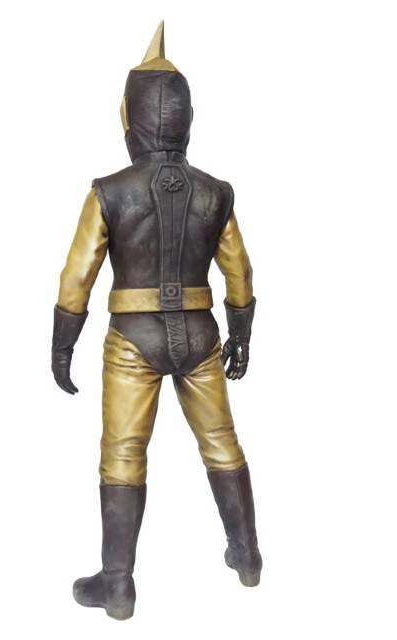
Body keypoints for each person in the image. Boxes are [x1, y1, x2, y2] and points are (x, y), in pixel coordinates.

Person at [52, 21, 262, 620]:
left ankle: (118, 584)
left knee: (123, 450)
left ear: (131, 119)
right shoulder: (216, 192)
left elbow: (77, 276)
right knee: (221, 440)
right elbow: (239, 271)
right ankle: (247, 555)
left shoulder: (108, 192)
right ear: (185, 120)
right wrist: (241, 334)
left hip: (132, 340)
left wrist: (62, 344)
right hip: (201, 336)